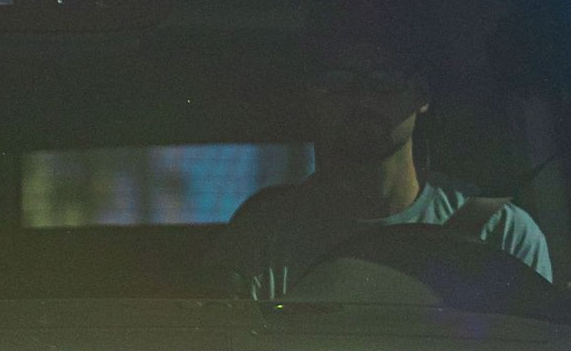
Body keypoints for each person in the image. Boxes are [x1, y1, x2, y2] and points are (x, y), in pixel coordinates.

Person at [223, 61, 552, 302]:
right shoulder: (263, 237)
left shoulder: (502, 233)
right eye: (337, 82)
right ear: (311, 98)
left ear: (421, 94)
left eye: (384, 81)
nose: (362, 100)